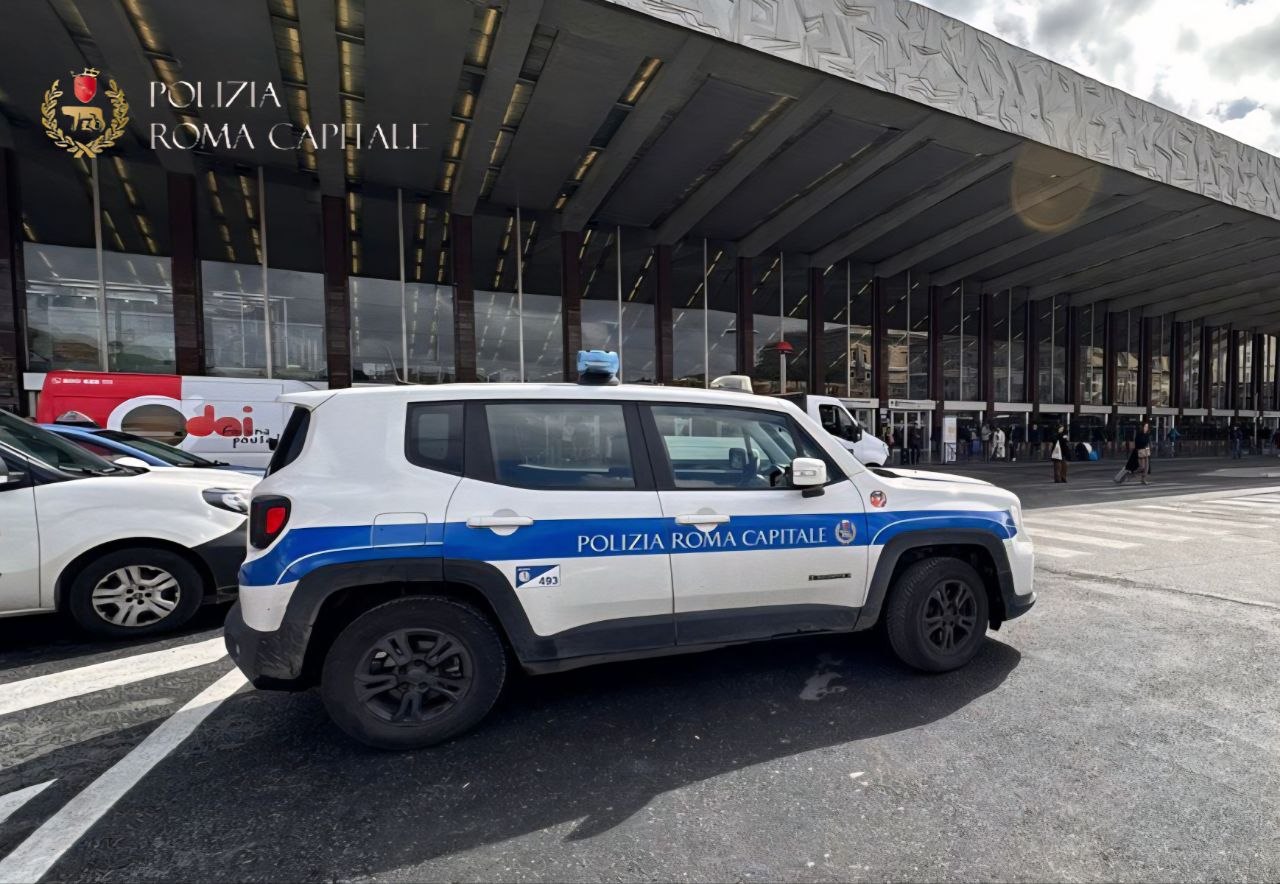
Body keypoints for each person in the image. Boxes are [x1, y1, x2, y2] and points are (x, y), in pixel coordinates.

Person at [1133, 420, 1152, 485]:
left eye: (1147, 427)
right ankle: (1133, 472)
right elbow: (1137, 443)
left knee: (1146, 467)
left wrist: (1150, 447)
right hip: (1140, 451)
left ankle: (1143, 479)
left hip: (1146, 451)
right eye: (1145, 426)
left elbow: (1148, 442)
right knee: (1142, 467)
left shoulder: (1148, 434)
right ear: (1142, 427)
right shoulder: (1139, 434)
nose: (1146, 428)